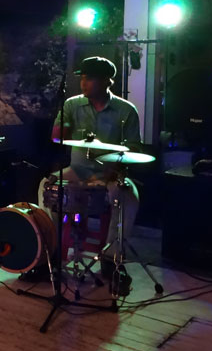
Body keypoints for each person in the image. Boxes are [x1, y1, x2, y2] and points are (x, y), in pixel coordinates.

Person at [39, 56, 141, 273]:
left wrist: (111, 171)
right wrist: (63, 122)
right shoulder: (72, 104)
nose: (83, 83)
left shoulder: (126, 110)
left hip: (110, 173)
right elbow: (56, 136)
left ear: (106, 81)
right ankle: (50, 251)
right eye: (82, 78)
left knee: (128, 195)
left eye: (89, 79)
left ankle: (111, 258)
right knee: (45, 186)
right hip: (78, 170)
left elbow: (133, 148)